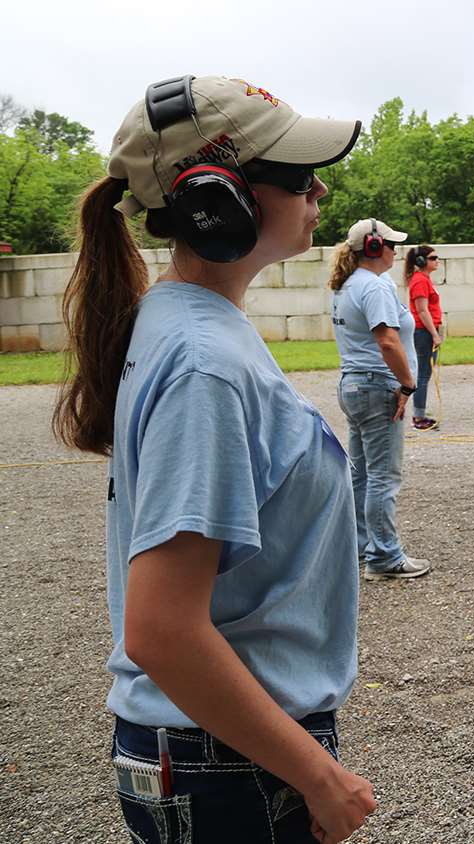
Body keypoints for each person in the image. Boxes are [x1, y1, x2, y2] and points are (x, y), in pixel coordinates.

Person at [51, 75, 377, 843]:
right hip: (230, 766)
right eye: (298, 175)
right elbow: (161, 628)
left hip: (219, 754)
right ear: (215, 198)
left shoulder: (186, 325)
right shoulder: (204, 362)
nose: (320, 188)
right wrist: (317, 775)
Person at [329, 219, 433, 582]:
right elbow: (388, 341)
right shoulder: (372, 288)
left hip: (355, 386)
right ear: (374, 247)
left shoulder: (349, 284)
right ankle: (385, 556)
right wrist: (407, 385)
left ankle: (361, 546)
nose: (395, 251)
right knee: (382, 478)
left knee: (361, 475)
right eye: (390, 244)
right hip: (377, 388)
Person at [404, 245, 443, 430]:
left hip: (426, 330)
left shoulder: (423, 279)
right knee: (423, 374)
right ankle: (418, 417)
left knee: (424, 373)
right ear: (421, 261)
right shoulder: (420, 281)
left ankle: (420, 412)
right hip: (424, 332)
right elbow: (422, 310)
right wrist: (434, 334)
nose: (437, 261)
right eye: (433, 258)